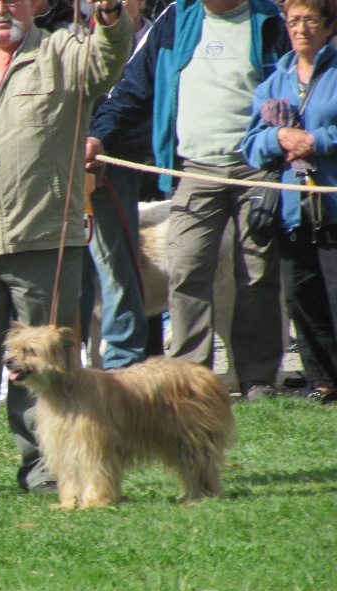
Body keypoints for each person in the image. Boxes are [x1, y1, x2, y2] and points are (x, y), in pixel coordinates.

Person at [0, 0, 131, 503]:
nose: (2, 7)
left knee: (48, 368)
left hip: (44, 241)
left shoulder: (63, 52)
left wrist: (109, 16)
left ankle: (47, 468)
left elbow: (109, 57)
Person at [86, 0, 290, 401]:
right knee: (186, 267)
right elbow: (133, 89)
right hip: (193, 168)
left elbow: (289, 83)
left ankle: (257, 377)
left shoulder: (267, 19)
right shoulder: (176, 20)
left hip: (257, 163)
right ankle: (188, 377)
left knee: (256, 272)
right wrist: (100, 135)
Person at [242, 0, 337, 404]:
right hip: (292, 211)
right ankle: (323, 382)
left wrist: (318, 140)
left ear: (329, 26)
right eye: (294, 20)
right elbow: (249, 144)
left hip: (332, 206)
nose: (301, 28)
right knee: (302, 298)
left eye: (310, 20)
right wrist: (276, 139)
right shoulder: (273, 81)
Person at [79, 0, 152, 369]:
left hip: (119, 161)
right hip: (72, 161)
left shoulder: (157, 34)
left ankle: (123, 361)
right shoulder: (74, 38)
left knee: (115, 266)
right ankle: (69, 356)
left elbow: (137, 100)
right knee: (72, 270)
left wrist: (103, 140)